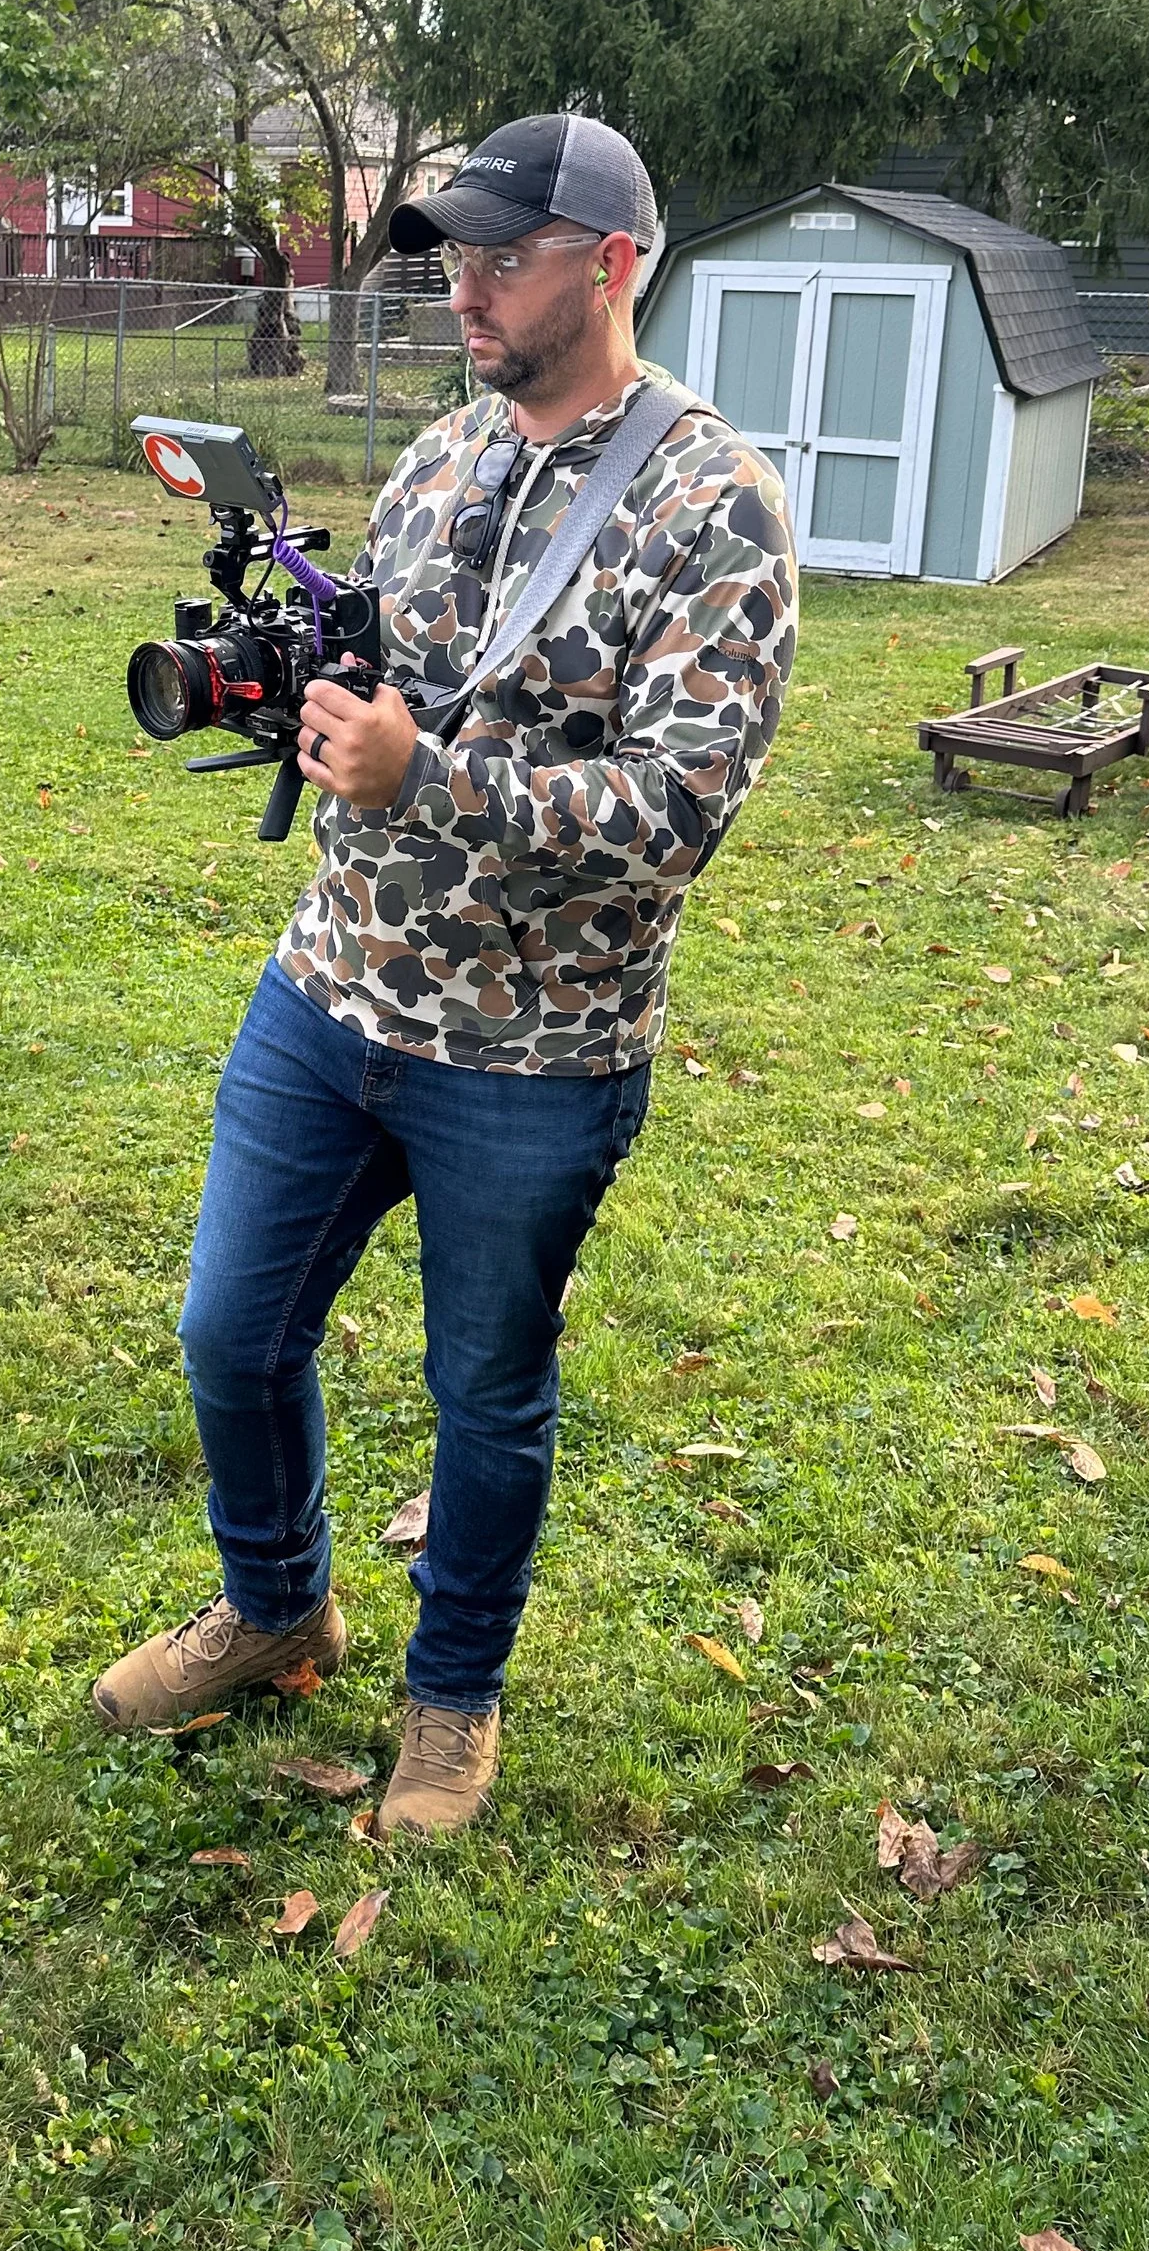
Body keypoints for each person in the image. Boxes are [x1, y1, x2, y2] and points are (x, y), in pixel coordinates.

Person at [91, 111, 798, 1835]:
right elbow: (378, 661)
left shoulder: (719, 507)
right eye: (452, 258)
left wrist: (434, 780)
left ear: (612, 264)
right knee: (228, 1334)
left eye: (501, 257)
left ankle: (452, 1701)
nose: (463, 290)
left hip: (535, 1056)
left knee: (485, 1394)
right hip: (332, 993)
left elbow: (678, 808)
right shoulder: (440, 458)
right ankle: (276, 1613)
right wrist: (291, 695)